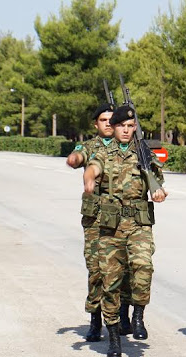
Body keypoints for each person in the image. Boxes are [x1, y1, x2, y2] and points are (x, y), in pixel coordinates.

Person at [83, 105, 168, 357]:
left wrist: (158, 190)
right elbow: (93, 167)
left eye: (131, 126)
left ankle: (138, 314)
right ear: (115, 127)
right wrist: (89, 179)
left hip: (139, 224)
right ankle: (112, 336)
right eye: (122, 126)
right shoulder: (103, 151)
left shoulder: (143, 153)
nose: (126, 130)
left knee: (143, 266)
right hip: (110, 227)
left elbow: (156, 181)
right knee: (111, 282)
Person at [66, 103, 134, 342]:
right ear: (96, 124)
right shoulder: (90, 146)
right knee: (97, 270)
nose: (108, 124)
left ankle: (123, 315)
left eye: (111, 120)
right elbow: (79, 157)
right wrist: (74, 159)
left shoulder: (131, 146)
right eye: (103, 120)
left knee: (124, 268)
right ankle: (95, 320)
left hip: (124, 218)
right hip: (96, 219)